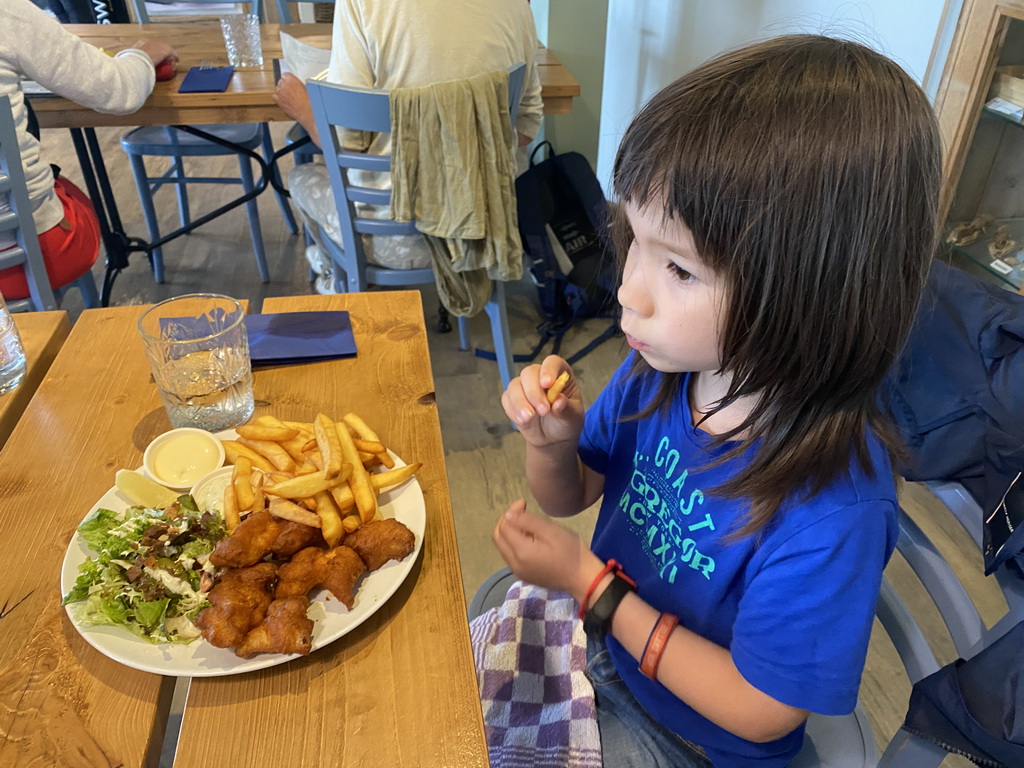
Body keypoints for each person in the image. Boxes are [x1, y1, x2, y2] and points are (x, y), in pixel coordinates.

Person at [493, 35, 941, 768]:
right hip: (603, 650)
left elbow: (759, 711)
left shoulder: (833, 506)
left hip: (689, 739)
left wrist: (592, 587)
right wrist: (551, 442)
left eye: (679, 268)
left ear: (810, 294)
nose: (627, 292)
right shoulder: (663, 371)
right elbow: (572, 496)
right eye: (632, 238)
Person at [273, 0, 543, 294]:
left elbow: (348, 147)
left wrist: (304, 111)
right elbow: (526, 131)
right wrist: (458, 144)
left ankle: (339, 278)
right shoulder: (517, 5)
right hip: (484, 229)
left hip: (390, 239)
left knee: (301, 176)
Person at [0, 0, 176, 301]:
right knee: (66, 199)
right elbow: (119, 92)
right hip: (25, 258)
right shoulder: (8, 13)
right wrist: (142, 54)